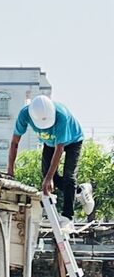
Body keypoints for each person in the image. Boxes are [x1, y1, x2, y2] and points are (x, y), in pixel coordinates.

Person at [7, 94, 94, 235]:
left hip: (73, 140)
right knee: (47, 175)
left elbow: (60, 149)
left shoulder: (61, 115)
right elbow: (14, 142)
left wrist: (49, 178)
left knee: (68, 176)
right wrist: (10, 170)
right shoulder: (24, 114)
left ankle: (67, 217)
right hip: (51, 143)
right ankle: (79, 191)